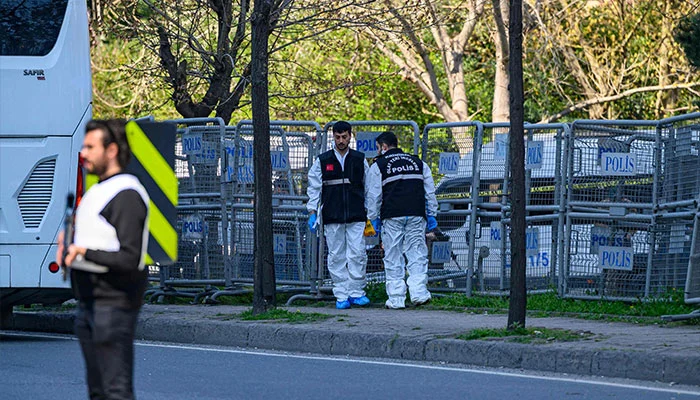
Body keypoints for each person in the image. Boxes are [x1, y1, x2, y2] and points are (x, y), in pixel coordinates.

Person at [56, 119, 150, 400]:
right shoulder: (99, 190)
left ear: (111, 151)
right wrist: (69, 248)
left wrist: (83, 252)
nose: (83, 153)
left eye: (90, 147)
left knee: (115, 391)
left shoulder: (126, 194)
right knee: (99, 392)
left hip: (113, 303)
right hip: (91, 302)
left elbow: (131, 258)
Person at [367, 131, 438, 309]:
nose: (377, 151)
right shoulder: (418, 163)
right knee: (417, 253)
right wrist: (431, 214)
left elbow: (374, 196)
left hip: (392, 215)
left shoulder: (379, 165)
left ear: (384, 147)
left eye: (378, 148)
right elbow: (430, 192)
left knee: (393, 256)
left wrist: (373, 218)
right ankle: (419, 293)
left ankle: (396, 298)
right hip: (416, 213)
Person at [306, 121, 371, 309]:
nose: (341, 140)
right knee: (336, 256)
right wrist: (312, 211)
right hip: (332, 215)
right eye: (337, 137)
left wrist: (371, 213)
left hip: (356, 215)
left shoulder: (359, 159)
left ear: (350, 136)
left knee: (358, 254)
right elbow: (314, 187)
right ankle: (341, 294)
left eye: (344, 137)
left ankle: (356, 292)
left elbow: (369, 188)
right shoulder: (323, 160)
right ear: (333, 137)